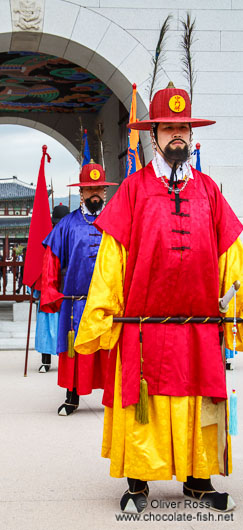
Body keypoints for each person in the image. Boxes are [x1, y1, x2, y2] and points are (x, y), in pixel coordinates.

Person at [75, 83, 243, 513]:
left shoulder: (207, 190)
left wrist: (235, 312)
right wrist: (102, 316)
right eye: (168, 129)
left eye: (182, 128)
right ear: (154, 136)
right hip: (144, 330)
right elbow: (111, 258)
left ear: (191, 133)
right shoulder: (132, 190)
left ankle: (199, 480)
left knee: (201, 397)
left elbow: (232, 255)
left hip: (199, 328)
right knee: (143, 402)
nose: (177, 137)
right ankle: (138, 483)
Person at [40, 161, 118, 415]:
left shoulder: (117, 222)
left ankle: (114, 399)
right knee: (76, 350)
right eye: (89, 189)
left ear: (105, 192)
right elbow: (51, 259)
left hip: (108, 303)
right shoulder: (68, 225)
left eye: (99, 189)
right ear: (81, 192)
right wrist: (51, 292)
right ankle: (72, 396)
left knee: (109, 349)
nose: (94, 194)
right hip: (76, 301)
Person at [35, 203, 70, 373]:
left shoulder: (74, 236)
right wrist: (36, 289)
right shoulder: (48, 239)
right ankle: (46, 360)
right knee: (46, 327)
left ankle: (69, 361)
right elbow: (40, 265)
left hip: (69, 286)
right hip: (50, 286)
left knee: (68, 327)